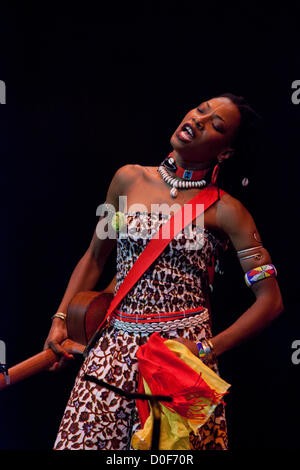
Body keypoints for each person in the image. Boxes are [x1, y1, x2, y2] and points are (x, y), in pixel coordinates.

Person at [44, 93, 283, 450]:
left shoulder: (229, 212)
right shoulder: (128, 179)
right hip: (112, 348)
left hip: (178, 361)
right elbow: (94, 257)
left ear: (225, 153)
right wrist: (60, 318)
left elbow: (271, 302)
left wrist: (206, 350)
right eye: (201, 110)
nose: (200, 120)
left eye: (216, 125)